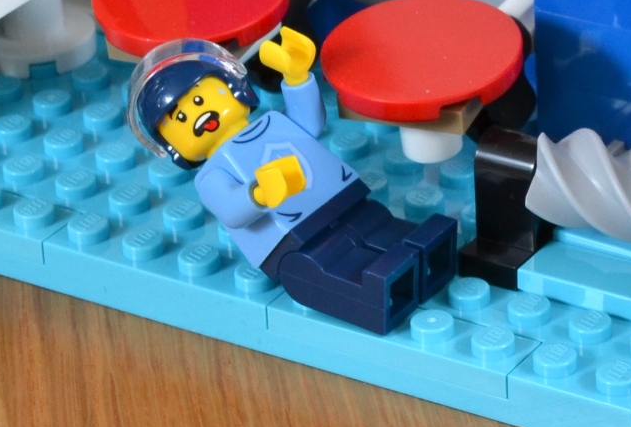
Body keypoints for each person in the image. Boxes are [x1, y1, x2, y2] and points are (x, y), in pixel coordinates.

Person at [128, 27, 454, 333]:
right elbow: (230, 210)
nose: (199, 116)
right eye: (180, 118)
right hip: (294, 243)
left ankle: (420, 256)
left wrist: (297, 78)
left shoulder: (272, 123)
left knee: (383, 228)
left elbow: (310, 123)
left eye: (200, 100)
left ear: (233, 88)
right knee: (339, 264)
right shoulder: (211, 175)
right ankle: (376, 287)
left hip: (348, 203)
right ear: (173, 146)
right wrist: (258, 194)